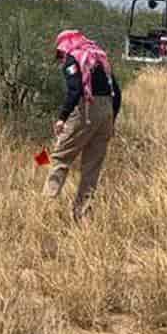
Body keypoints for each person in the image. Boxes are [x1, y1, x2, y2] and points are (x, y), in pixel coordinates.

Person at [43, 29, 122, 221]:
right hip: (107, 111)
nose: (61, 58)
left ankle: (46, 209)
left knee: (60, 158)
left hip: (87, 109)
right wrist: (111, 121)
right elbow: (117, 92)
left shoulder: (73, 58)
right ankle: (82, 214)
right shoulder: (100, 58)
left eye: (59, 54)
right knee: (92, 166)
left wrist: (62, 118)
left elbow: (76, 89)